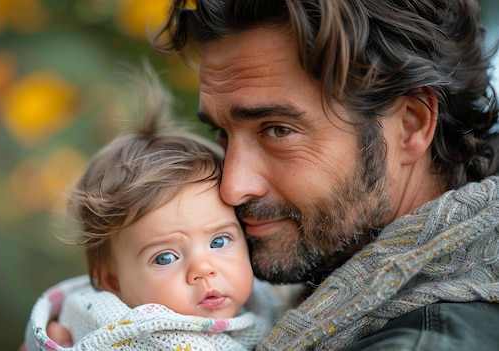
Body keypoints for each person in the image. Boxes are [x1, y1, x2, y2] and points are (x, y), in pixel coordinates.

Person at [29, 0, 499, 349]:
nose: (232, 186)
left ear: (411, 124)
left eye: (277, 129)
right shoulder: (317, 297)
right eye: (222, 135)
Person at [23, 66, 283, 351]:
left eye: (219, 241)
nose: (203, 268)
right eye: (165, 258)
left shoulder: (267, 299)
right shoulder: (135, 336)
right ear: (112, 281)